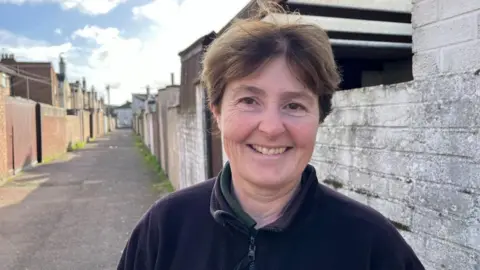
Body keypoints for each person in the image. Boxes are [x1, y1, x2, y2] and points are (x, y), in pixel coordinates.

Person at [117, 2, 426, 270]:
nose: (271, 127)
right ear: (217, 111)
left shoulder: (372, 244)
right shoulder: (164, 228)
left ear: (320, 117)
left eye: (294, 105)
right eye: (249, 101)